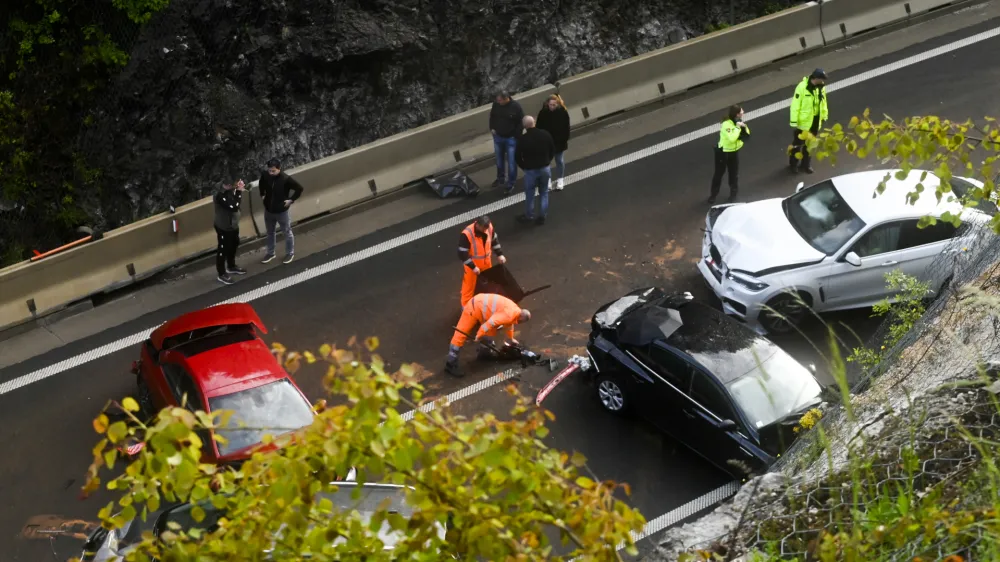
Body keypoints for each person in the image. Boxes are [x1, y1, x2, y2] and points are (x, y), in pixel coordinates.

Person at [445, 293, 531, 377]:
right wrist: (478, 336)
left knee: (490, 333)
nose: (520, 323)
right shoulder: (508, 315)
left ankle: (484, 354)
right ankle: (450, 363)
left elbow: (509, 323)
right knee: (460, 334)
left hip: (484, 309)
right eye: (521, 322)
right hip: (474, 307)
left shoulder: (516, 311)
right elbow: (488, 325)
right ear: (520, 317)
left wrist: (511, 338)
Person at [258, 158, 304, 265]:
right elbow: (261, 183)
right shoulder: (265, 175)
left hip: (282, 211)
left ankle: (290, 253)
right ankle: (270, 253)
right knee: (270, 232)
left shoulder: (285, 179)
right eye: (269, 170)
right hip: (269, 211)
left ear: (279, 169)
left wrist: (291, 200)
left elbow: (299, 188)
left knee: (287, 232)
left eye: (273, 171)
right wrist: (262, 194)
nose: (271, 173)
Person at [457, 215, 506, 308]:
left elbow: (494, 241)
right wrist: (473, 267)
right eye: (483, 229)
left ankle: (486, 305)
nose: (485, 231)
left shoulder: (489, 227)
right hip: (473, 266)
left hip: (486, 263)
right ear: (478, 225)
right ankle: (466, 308)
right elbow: (462, 253)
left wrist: (500, 254)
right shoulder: (467, 234)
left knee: (488, 284)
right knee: (469, 288)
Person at [515, 115, 556, 225]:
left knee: (530, 194)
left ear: (524, 126)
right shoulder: (545, 134)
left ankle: (529, 215)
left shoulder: (522, 140)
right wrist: (547, 161)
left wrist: (525, 167)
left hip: (530, 171)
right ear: (535, 122)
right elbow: (552, 149)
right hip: (545, 168)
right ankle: (542, 216)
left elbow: (518, 157)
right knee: (544, 192)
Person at [788, 68, 829, 174]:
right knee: (797, 145)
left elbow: (823, 102)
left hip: (815, 122)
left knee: (810, 145)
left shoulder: (821, 87)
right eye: (821, 79)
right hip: (803, 123)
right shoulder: (802, 87)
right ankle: (793, 164)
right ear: (816, 78)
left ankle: (806, 164)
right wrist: (794, 121)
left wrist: (824, 115)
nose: (823, 81)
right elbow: (795, 105)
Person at [708, 105, 750, 204]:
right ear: (737, 114)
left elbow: (747, 135)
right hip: (723, 153)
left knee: (734, 174)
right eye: (741, 111)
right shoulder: (726, 124)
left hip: (733, 153)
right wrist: (738, 128)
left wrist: (744, 128)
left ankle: (733, 195)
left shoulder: (740, 122)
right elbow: (732, 138)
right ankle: (713, 195)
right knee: (718, 174)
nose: (743, 112)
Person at [489, 91, 525, 194]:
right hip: (498, 137)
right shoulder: (496, 105)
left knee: (511, 163)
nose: (498, 102)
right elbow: (492, 117)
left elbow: (521, 122)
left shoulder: (516, 107)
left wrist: (516, 136)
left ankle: (511, 183)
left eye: (500, 100)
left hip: (511, 139)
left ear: (506, 99)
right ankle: (500, 178)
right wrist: (492, 128)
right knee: (499, 161)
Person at [213, 179, 247, 285]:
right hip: (224, 227)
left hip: (233, 225)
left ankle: (231, 266)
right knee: (223, 249)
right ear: (226, 185)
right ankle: (221, 273)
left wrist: (238, 188)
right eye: (233, 185)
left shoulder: (231, 189)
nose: (235, 186)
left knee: (234, 243)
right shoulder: (219, 195)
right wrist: (239, 192)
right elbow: (234, 207)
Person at [536, 94, 571, 191]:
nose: (552, 107)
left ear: (558, 104)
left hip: (559, 142)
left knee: (559, 160)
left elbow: (566, 128)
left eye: (554, 105)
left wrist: (564, 140)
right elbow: (538, 127)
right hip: (546, 143)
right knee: (546, 163)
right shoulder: (543, 113)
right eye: (550, 105)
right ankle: (548, 180)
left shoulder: (563, 112)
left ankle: (560, 179)